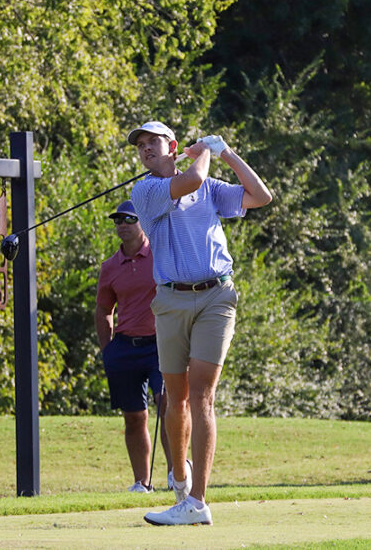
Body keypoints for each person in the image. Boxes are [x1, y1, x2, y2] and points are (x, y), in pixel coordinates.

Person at [127, 121, 273, 526]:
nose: (145, 150)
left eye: (152, 142)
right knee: (175, 398)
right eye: (140, 145)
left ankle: (197, 501)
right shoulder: (146, 191)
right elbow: (191, 179)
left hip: (216, 297)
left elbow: (261, 196)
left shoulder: (210, 188)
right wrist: (203, 152)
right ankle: (178, 478)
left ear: (170, 145)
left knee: (201, 396)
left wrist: (225, 152)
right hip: (171, 299)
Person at [95, 200, 171, 493]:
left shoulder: (161, 255)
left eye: (129, 219)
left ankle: (176, 475)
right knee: (134, 416)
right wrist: (108, 351)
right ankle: (142, 482)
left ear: (143, 223)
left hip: (161, 344)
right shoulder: (110, 267)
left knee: (167, 404)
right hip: (125, 348)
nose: (122, 225)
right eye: (118, 220)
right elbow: (103, 310)